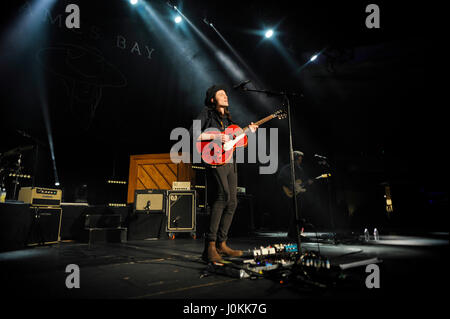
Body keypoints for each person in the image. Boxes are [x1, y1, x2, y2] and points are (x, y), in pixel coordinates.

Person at [191, 84, 258, 263]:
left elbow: (235, 142)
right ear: (213, 99)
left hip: (230, 161)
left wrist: (248, 133)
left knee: (233, 200)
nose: (226, 96)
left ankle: (222, 243)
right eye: (221, 94)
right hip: (214, 159)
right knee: (222, 196)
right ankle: (210, 246)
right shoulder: (207, 113)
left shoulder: (227, 119)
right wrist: (215, 136)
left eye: (226, 94)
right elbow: (193, 134)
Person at [277, 150, 314, 238]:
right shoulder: (287, 168)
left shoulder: (300, 169)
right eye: (299, 158)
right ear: (296, 158)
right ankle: (293, 233)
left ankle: (296, 232)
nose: (301, 160)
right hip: (290, 193)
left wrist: (307, 183)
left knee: (298, 212)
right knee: (295, 213)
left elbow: (300, 183)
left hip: (298, 193)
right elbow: (280, 179)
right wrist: (290, 185)